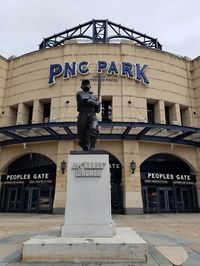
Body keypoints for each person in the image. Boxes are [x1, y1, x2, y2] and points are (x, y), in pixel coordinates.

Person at [76, 79, 100, 150]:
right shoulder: (80, 93)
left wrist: (98, 104)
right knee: (82, 135)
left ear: (90, 86)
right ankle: (85, 147)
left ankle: (92, 147)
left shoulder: (95, 97)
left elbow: (97, 110)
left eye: (87, 83)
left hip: (92, 115)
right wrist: (96, 103)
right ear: (81, 86)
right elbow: (86, 100)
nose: (86, 85)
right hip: (83, 115)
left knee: (94, 129)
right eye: (84, 84)